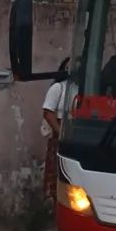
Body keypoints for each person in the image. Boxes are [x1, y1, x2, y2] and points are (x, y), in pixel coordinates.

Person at [41, 58, 70, 202]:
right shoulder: (59, 88)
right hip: (60, 137)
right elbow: (48, 112)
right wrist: (60, 133)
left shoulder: (85, 88)